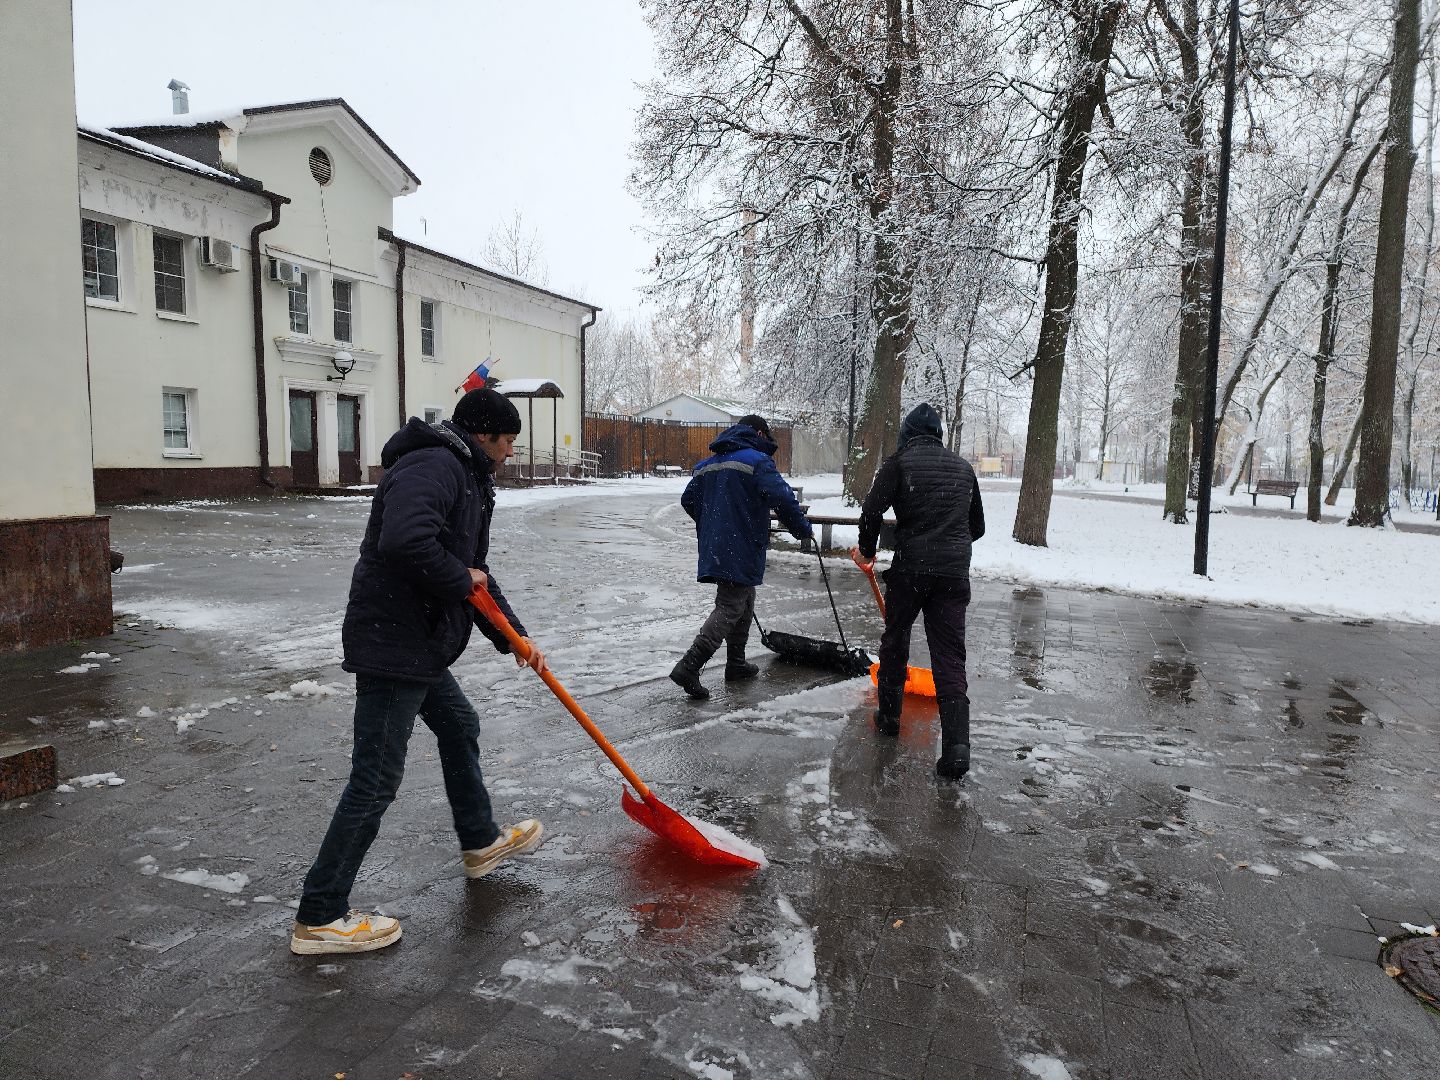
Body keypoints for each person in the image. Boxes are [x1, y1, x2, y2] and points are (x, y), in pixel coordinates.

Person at [291, 387, 549, 956]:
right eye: (508, 441)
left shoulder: (465, 474)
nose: (511, 452)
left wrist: (514, 636)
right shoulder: (436, 465)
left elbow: (474, 574)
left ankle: (480, 841)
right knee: (375, 779)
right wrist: (463, 580)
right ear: (484, 435)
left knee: (459, 725)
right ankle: (320, 915)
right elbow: (407, 543)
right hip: (395, 641)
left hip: (419, 642)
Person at [851, 402, 985, 781]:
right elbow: (977, 526)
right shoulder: (963, 468)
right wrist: (949, 542)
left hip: (911, 569)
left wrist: (869, 550)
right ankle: (957, 746)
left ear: (906, 435)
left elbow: (871, 511)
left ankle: (890, 717)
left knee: (896, 639)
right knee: (949, 654)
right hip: (952, 574)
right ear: (939, 435)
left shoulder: (898, 463)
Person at [671, 414, 814, 700]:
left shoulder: (708, 464)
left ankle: (736, 662)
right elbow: (783, 498)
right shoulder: (757, 461)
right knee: (731, 605)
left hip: (720, 545)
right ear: (759, 434)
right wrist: (802, 529)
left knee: (744, 598)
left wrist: (714, 526)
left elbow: (688, 500)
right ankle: (690, 665)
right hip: (741, 543)